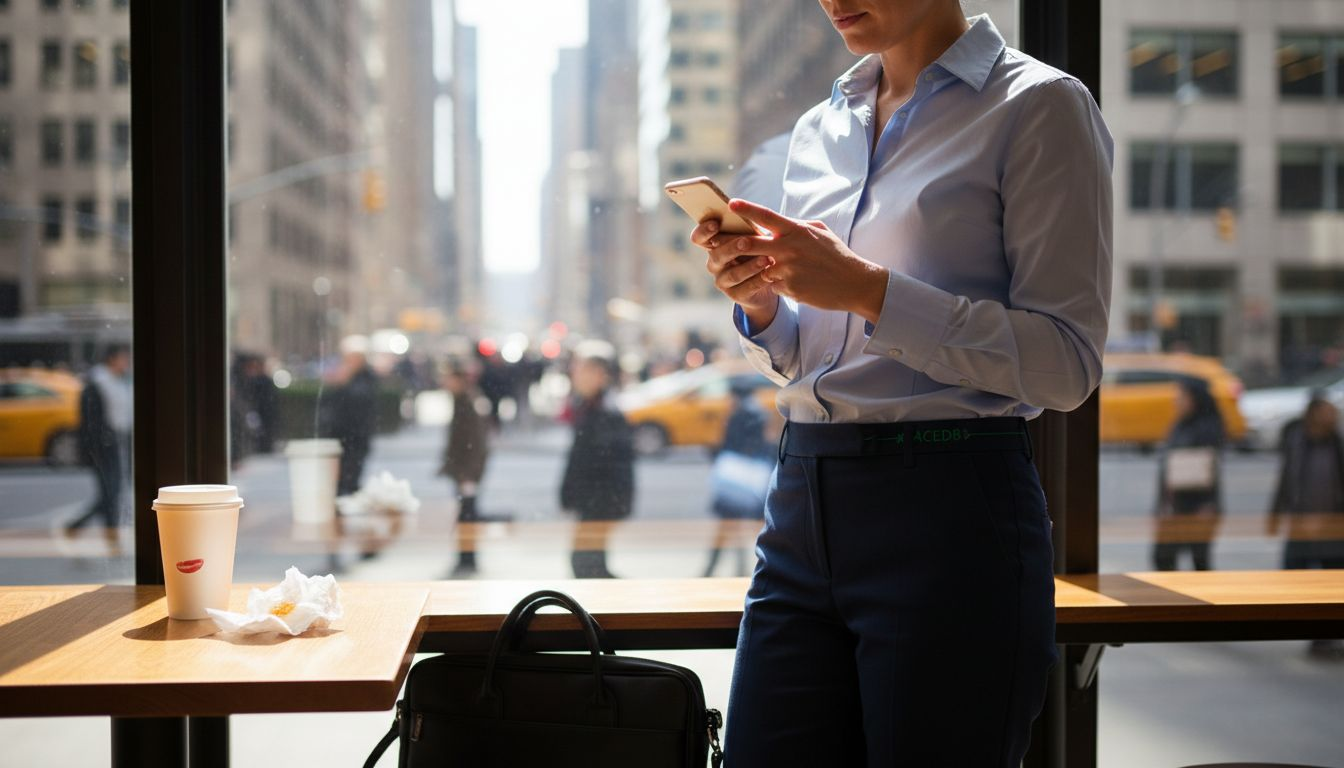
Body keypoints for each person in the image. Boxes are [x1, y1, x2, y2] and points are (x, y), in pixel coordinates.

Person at [691, 3, 1113, 764]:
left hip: (951, 507)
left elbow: (1066, 364)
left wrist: (868, 289)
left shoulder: (1039, 105)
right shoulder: (821, 128)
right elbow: (812, 356)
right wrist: (759, 303)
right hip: (800, 498)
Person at [1269, 395, 1344, 657]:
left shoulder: (1337, 443)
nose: (1333, 417)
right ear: (1313, 414)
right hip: (1301, 523)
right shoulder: (1297, 442)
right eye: (1328, 411)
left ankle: (1328, 635)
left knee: (1333, 585)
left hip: (1333, 526)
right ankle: (1314, 631)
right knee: (1299, 579)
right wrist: (1275, 515)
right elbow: (1286, 479)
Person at [559, 341, 635, 579]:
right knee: (588, 564)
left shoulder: (606, 412)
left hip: (598, 504)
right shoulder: (589, 406)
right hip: (591, 503)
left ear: (599, 375)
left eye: (581, 369)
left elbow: (608, 466)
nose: (575, 375)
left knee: (586, 565)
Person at [703, 380, 776, 577]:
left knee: (727, 527)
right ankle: (748, 567)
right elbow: (766, 447)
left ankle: (711, 570)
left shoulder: (738, 416)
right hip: (751, 482)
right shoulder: (759, 414)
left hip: (735, 481)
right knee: (744, 527)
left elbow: (729, 445)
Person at [1152, 378, 1224, 571]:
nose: (1176, 401)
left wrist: (1209, 505)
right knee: (1164, 558)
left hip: (1197, 508)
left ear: (1194, 400)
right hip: (1175, 507)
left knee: (1198, 560)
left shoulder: (1206, 429)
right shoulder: (1180, 425)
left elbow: (1207, 473)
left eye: (1181, 396)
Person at [67, 345, 133, 550]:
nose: (127, 363)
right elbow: (90, 423)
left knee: (112, 492)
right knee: (111, 492)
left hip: (119, 443)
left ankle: (86, 528)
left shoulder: (119, 381)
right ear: (112, 359)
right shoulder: (97, 383)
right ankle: (106, 535)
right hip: (103, 447)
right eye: (124, 358)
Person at [440, 363, 491, 578]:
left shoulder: (469, 403)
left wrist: (470, 476)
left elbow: (477, 444)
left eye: (449, 378)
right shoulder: (462, 400)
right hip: (463, 473)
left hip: (467, 475)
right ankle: (465, 558)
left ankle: (468, 559)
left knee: (468, 517)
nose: (445, 383)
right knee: (465, 516)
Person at [320, 346, 379, 496]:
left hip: (356, 436)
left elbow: (360, 401)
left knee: (351, 477)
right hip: (340, 435)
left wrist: (343, 383)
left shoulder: (364, 379)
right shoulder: (346, 380)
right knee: (338, 479)